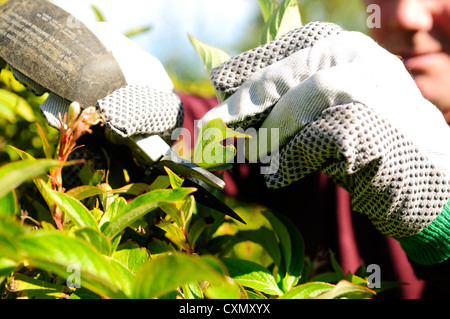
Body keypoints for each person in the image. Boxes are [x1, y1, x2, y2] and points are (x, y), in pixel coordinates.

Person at [184, 1, 450, 299]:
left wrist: (444, 223)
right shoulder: (332, 133)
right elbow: (216, 131)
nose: (405, 16)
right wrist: (163, 114)